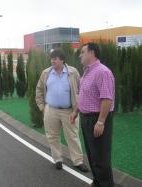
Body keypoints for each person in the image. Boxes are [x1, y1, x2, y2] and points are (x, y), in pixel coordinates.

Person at [36, 49, 88, 172]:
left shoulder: (72, 72)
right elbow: (39, 90)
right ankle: (57, 159)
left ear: (62, 59)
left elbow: (81, 90)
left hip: (69, 111)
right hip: (50, 110)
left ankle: (78, 161)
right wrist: (42, 107)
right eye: (51, 58)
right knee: (52, 136)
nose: (52, 60)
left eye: (55, 58)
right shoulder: (46, 73)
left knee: (73, 136)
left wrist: (77, 108)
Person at [71, 43, 115, 187]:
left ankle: (106, 184)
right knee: (92, 155)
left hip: (97, 119)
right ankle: (97, 182)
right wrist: (76, 112)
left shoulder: (103, 72)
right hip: (86, 118)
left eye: (82, 51)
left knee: (101, 158)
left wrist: (101, 122)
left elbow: (107, 99)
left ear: (92, 53)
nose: (80, 55)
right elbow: (84, 96)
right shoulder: (87, 73)